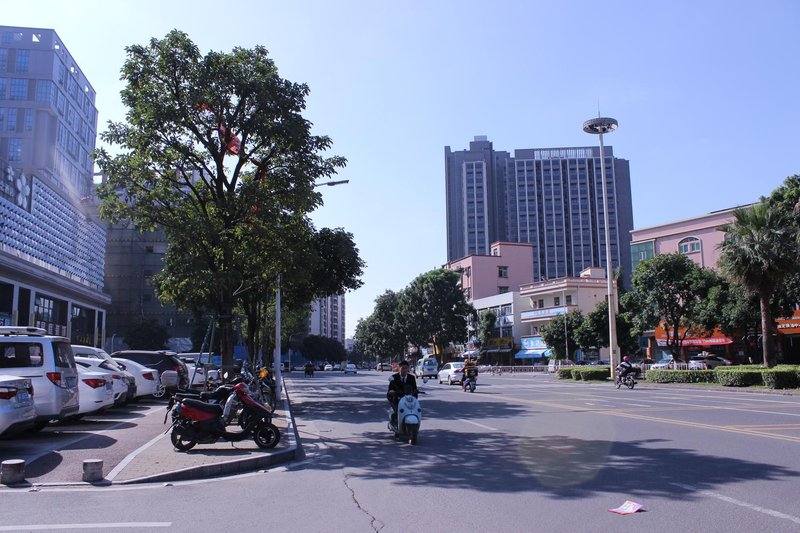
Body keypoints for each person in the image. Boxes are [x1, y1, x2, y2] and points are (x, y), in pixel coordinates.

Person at [387, 360, 418, 424]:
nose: (404, 370)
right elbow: (390, 390)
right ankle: (394, 421)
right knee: (396, 409)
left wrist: (415, 393)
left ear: (408, 369)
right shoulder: (394, 377)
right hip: (397, 398)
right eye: (402, 368)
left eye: (406, 368)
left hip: (408, 398)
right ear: (399, 368)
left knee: (415, 408)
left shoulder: (411, 377)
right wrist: (393, 392)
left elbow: (414, 388)